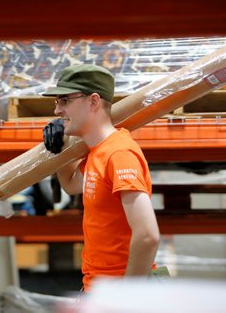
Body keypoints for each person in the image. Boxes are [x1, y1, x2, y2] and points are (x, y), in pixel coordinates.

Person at [42, 64, 160, 292]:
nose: (57, 110)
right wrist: (59, 149)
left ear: (93, 101)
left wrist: (126, 297)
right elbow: (71, 184)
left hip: (118, 291)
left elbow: (147, 235)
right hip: (98, 287)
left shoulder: (119, 154)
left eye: (64, 101)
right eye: (56, 102)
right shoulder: (99, 152)